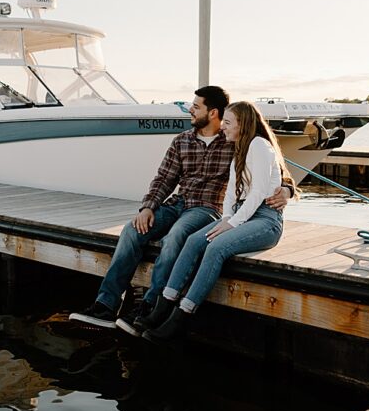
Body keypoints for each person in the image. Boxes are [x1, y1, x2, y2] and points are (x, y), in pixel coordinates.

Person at [69, 86, 293, 336]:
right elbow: (164, 179)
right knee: (132, 231)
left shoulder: (235, 140)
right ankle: (105, 305)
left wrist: (286, 190)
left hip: (205, 208)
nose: (190, 109)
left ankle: (150, 307)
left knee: (177, 235)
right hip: (177, 203)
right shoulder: (182, 140)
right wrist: (147, 207)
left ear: (213, 113)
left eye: (196, 106)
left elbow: (275, 172)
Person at [141, 100, 294, 343]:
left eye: (229, 123)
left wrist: (231, 225)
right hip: (241, 214)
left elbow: (257, 194)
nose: (223, 127)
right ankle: (162, 306)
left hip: (265, 220)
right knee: (193, 241)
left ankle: (181, 316)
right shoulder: (240, 150)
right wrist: (225, 219)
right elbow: (232, 192)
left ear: (243, 124)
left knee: (216, 247)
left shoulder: (260, 146)